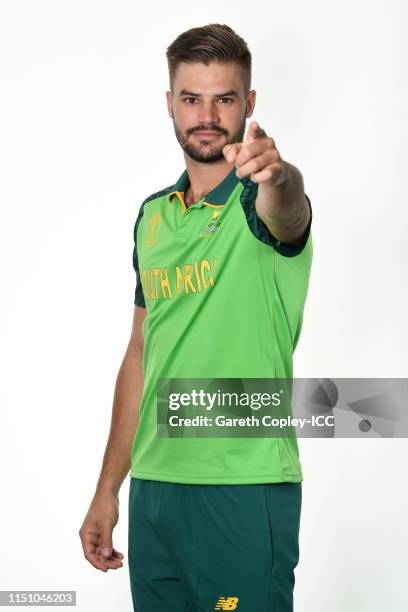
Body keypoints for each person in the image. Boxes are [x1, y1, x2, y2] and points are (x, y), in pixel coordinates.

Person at [79, 23, 313, 612]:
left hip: (241, 485)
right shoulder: (153, 217)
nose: (207, 115)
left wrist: (279, 176)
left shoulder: (258, 199)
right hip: (155, 493)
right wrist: (109, 489)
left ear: (249, 105)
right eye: (192, 98)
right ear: (170, 104)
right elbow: (141, 353)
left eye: (225, 98)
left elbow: (287, 211)